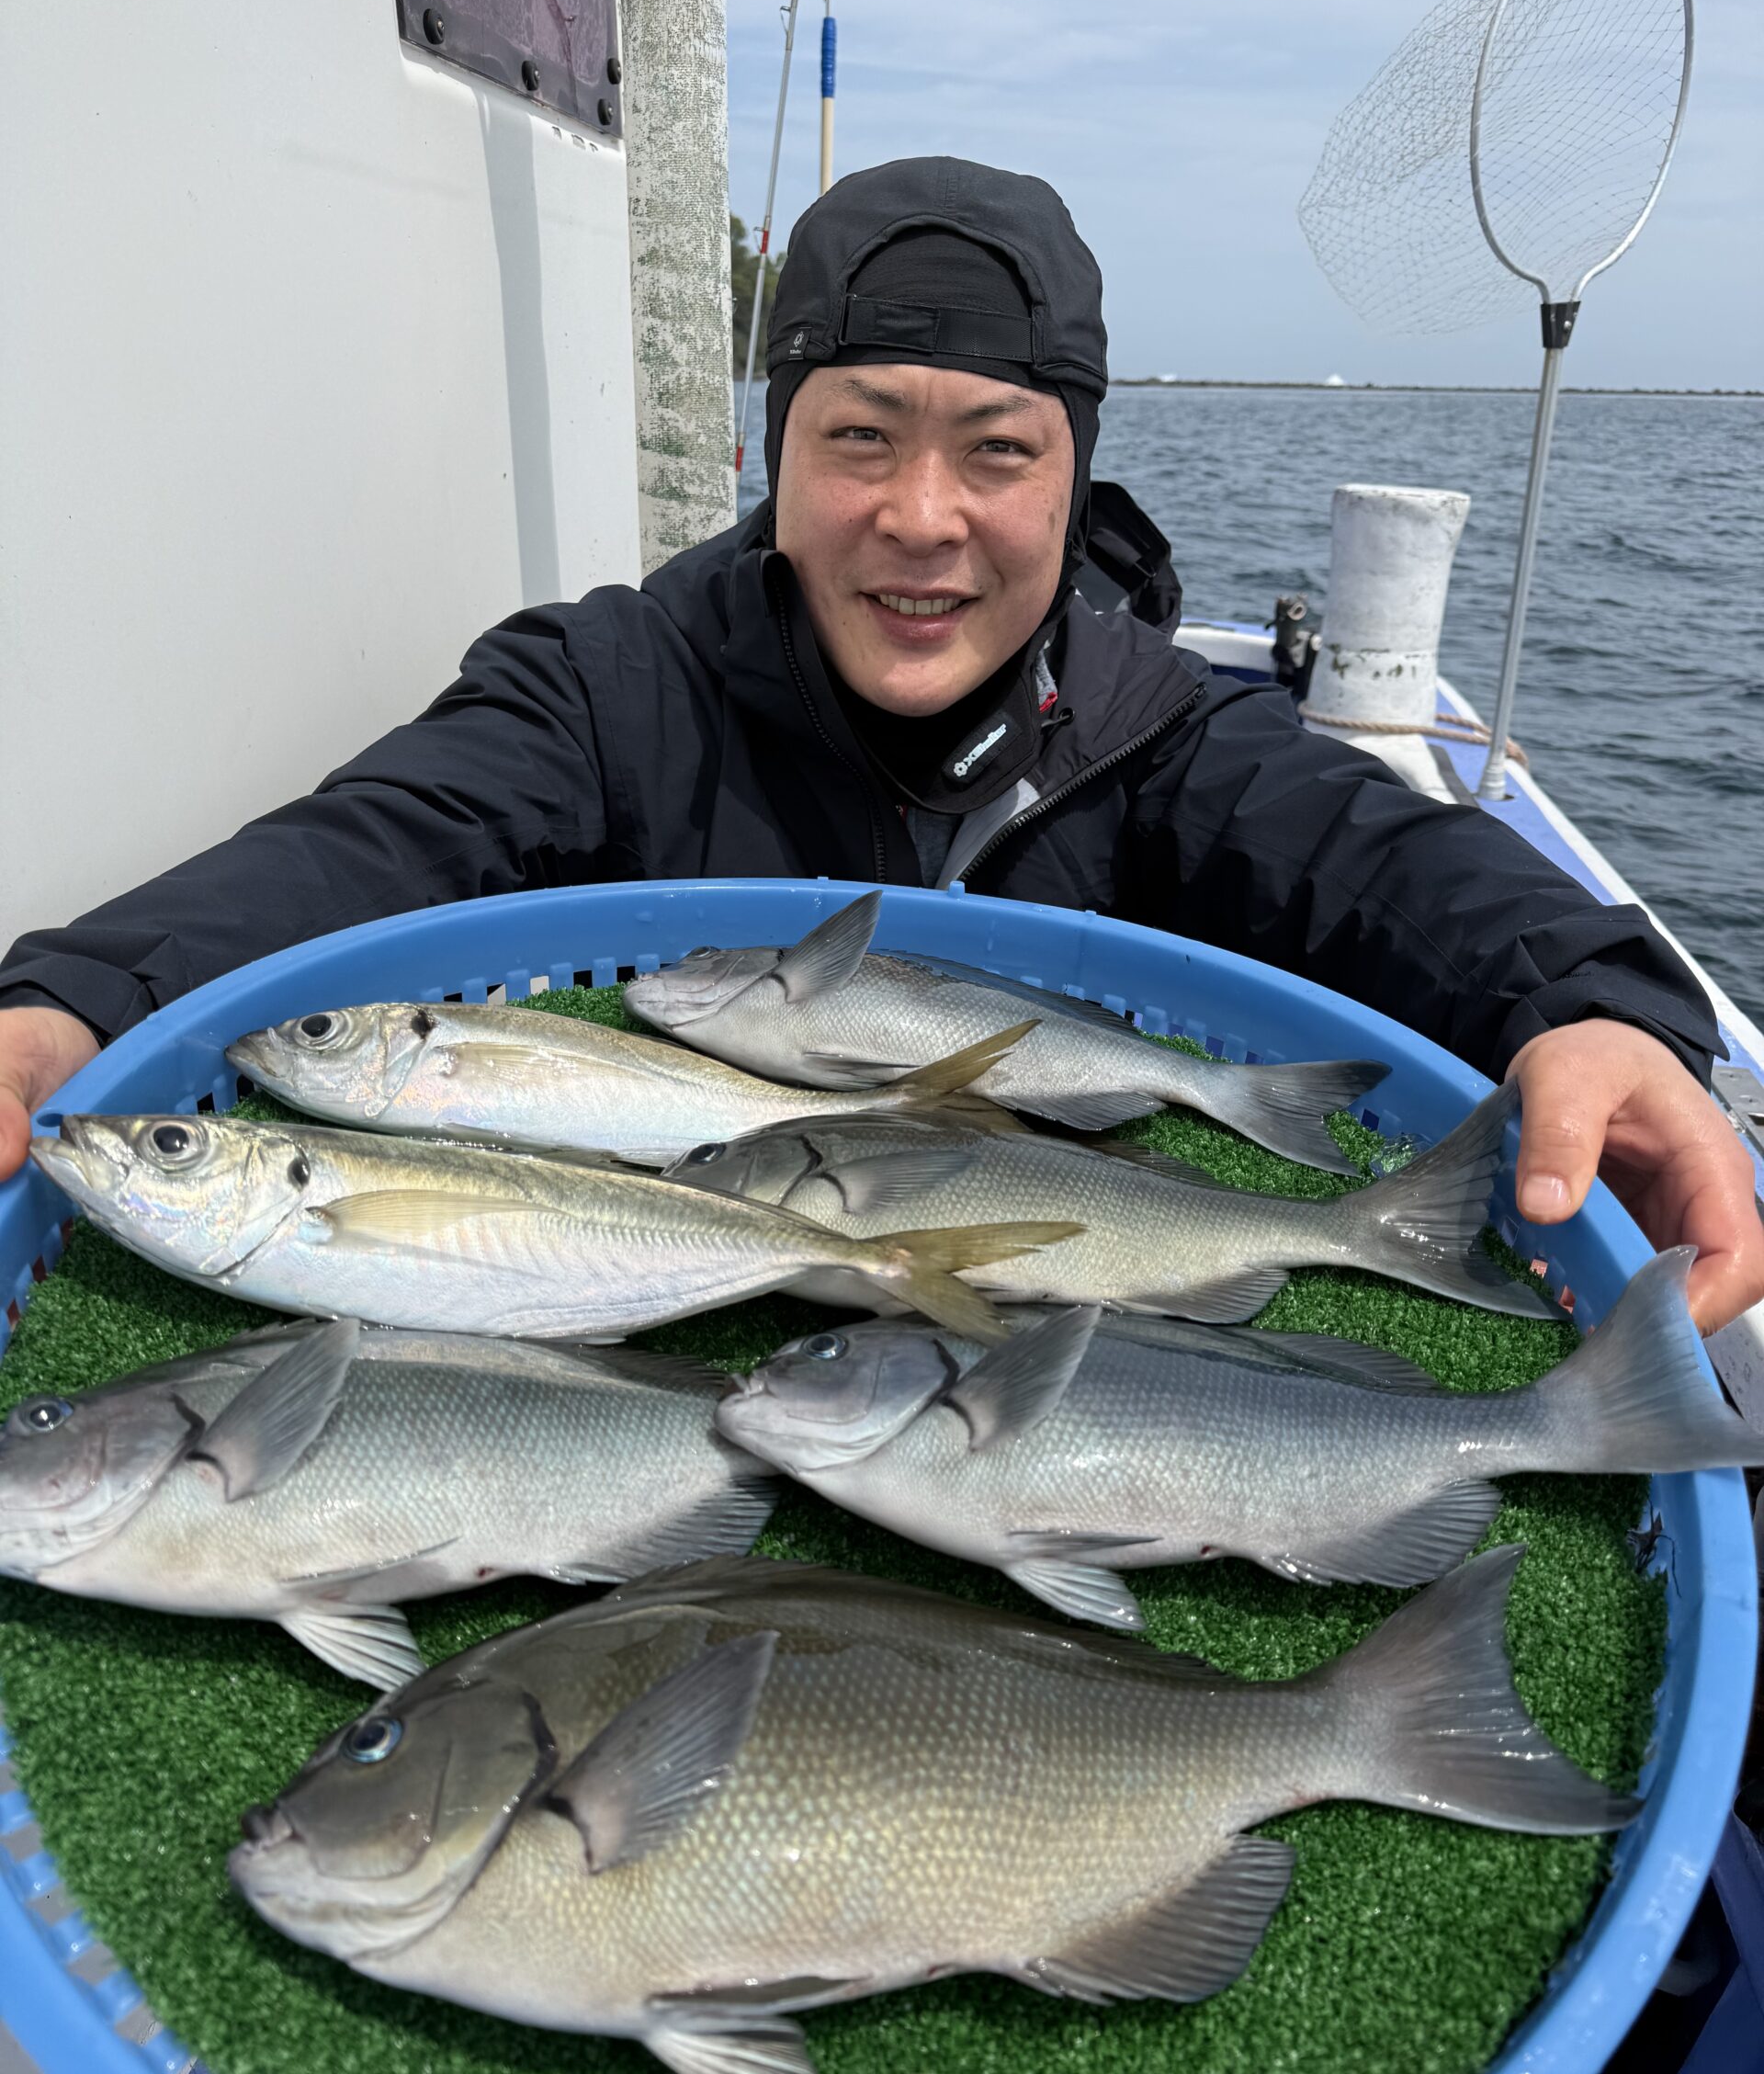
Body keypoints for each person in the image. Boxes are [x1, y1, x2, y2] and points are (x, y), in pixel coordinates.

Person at [1, 158, 1758, 1330]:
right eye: (858, 438)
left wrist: (1601, 1007)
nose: (923, 518)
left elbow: (1381, 856)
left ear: (1074, 479)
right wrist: (80, 995)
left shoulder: (1162, 728)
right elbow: (376, 841)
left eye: (998, 450)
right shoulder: (608, 686)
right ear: (774, 457)